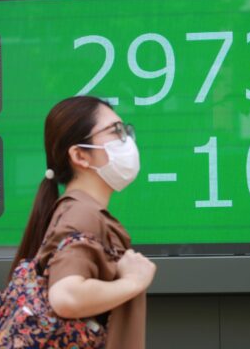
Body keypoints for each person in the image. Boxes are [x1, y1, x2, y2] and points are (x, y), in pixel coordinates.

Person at [8, 96, 156, 348]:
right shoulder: (81, 214)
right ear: (79, 155)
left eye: (126, 130)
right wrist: (134, 280)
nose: (128, 141)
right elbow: (66, 296)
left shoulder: (77, 210)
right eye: (115, 131)